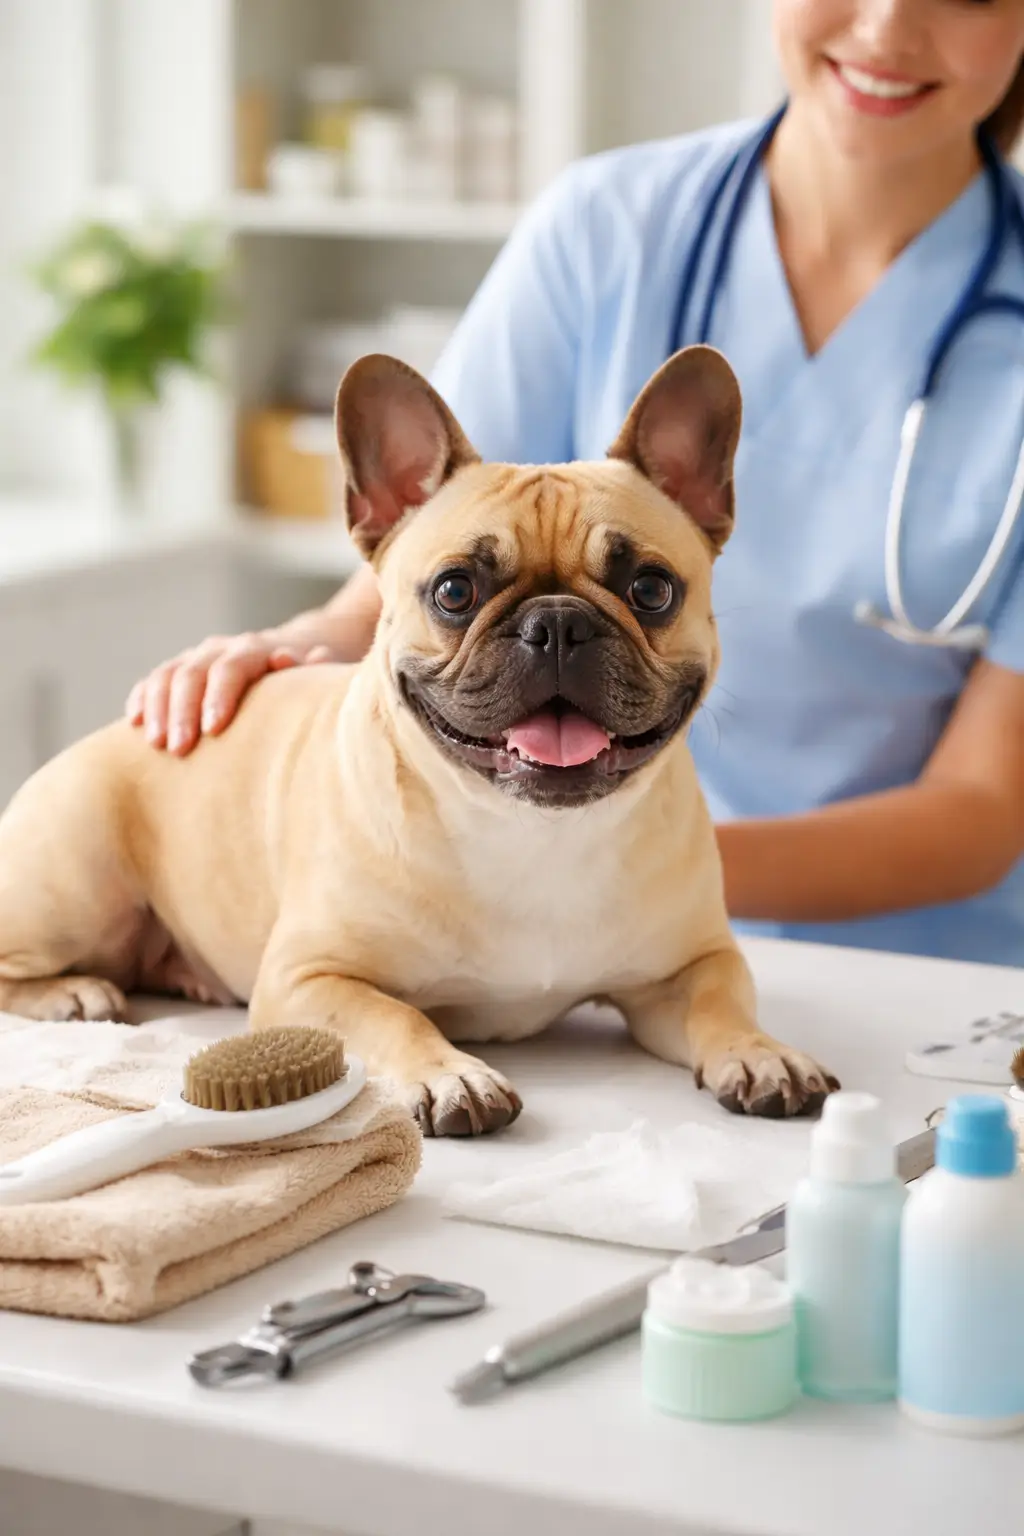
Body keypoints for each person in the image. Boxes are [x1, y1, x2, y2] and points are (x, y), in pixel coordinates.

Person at [128, 0, 1024, 967]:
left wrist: (634, 875)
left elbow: (981, 808)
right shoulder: (609, 227)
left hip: (912, 977)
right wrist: (283, 648)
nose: (888, 27)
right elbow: (424, 557)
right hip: (538, 934)